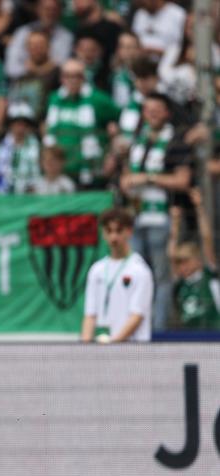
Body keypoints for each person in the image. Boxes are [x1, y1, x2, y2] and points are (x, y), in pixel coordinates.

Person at [120, 92, 192, 331]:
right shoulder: (137, 140)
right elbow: (126, 175)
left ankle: (158, 332)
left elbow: (183, 180)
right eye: (148, 109)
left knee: (161, 278)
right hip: (136, 217)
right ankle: (132, 328)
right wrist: (127, 182)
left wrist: (148, 178)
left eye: (157, 110)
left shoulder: (176, 140)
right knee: (135, 275)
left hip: (163, 218)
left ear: (167, 113)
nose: (151, 114)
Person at [43, 59, 119, 188]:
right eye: (67, 76)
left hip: (91, 170)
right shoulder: (54, 99)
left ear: (84, 78)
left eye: (77, 76)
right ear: (61, 78)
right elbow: (47, 126)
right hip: (60, 172)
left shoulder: (98, 99)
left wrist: (112, 155)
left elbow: (119, 124)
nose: (72, 80)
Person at [82, 207, 154, 343]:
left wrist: (113, 344)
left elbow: (137, 316)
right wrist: (86, 347)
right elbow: (90, 314)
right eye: (109, 231)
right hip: (104, 350)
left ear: (129, 232)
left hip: (133, 351)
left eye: (118, 231)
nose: (113, 237)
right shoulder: (96, 269)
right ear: (103, 233)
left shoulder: (140, 270)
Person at [168, 189, 220, 329]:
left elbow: (207, 239)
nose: (182, 267)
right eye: (180, 263)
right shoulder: (180, 283)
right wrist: (175, 223)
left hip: (214, 335)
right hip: (189, 337)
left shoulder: (209, 274)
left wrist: (199, 207)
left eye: (186, 261)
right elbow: (172, 255)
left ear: (198, 260)